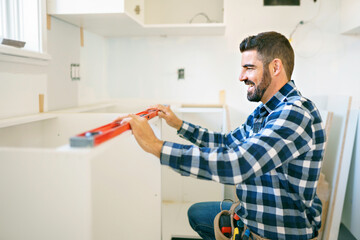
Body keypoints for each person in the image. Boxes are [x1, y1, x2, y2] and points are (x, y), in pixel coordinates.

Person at [117, 31, 325, 240]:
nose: (241, 76)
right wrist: (178, 124)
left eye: (249, 68)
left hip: (275, 232)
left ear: (275, 67)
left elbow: (239, 163)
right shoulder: (265, 112)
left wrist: (156, 146)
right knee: (197, 214)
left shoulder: (294, 113)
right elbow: (226, 143)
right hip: (250, 214)